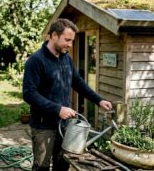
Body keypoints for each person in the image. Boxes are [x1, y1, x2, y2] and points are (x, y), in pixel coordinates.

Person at [22, 18, 112, 171]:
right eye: (67, 40)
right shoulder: (36, 60)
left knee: (63, 164)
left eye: (72, 41)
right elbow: (29, 94)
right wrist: (58, 109)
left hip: (65, 125)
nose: (70, 45)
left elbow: (77, 82)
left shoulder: (66, 59)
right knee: (41, 167)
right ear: (54, 35)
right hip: (44, 127)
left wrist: (98, 100)